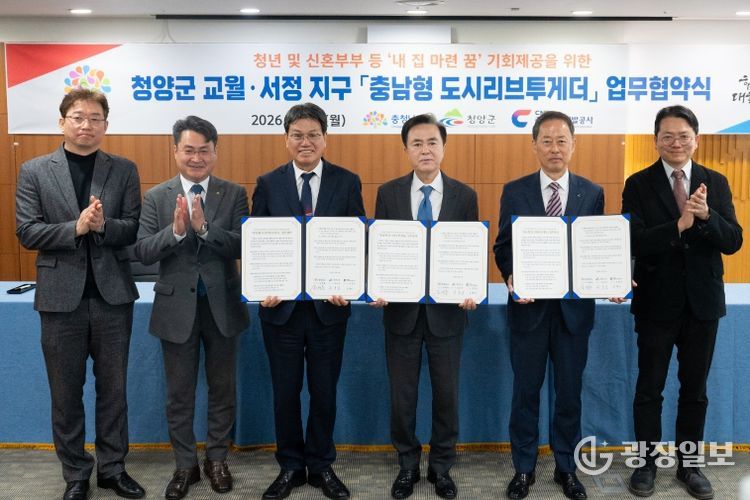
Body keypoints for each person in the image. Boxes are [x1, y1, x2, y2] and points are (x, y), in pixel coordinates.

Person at [15, 88, 145, 500]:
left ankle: (112, 469)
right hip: (59, 300)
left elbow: (133, 227)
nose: (86, 125)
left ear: (105, 125)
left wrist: (103, 225)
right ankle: (75, 473)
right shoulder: (35, 170)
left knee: (114, 391)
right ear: (62, 122)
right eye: (78, 117)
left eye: (95, 118)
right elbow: (27, 231)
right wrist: (76, 227)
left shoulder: (123, 169)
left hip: (112, 298)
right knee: (65, 393)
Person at [622, 105, 742, 500]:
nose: (676, 143)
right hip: (656, 303)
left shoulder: (715, 182)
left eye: (683, 136)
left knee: (695, 390)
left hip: (702, 305)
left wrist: (706, 217)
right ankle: (646, 463)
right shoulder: (638, 184)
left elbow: (733, 241)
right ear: (656, 140)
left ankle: (689, 465)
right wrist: (678, 226)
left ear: (696, 140)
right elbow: (634, 240)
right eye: (668, 136)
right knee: (649, 388)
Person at [251, 102, 365, 500]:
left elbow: (357, 239)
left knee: (324, 392)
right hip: (279, 310)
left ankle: (320, 465)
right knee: (285, 393)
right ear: (286, 140)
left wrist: (348, 282)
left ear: (325, 139)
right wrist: (262, 286)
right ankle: (289, 466)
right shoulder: (268, 183)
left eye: (313, 135)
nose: (306, 142)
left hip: (328, 309)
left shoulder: (347, 182)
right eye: (297, 135)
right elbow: (258, 242)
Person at [135, 116, 250, 499]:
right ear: (175, 152)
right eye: (189, 150)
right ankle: (185, 465)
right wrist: (177, 232)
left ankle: (217, 459)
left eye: (204, 150)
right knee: (179, 394)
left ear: (215, 152)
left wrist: (204, 230)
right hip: (175, 310)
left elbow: (243, 244)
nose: (196, 157)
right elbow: (142, 250)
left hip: (222, 307)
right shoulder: (157, 197)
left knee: (222, 389)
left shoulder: (233, 193)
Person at [493, 111, 604, 500]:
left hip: (574, 313)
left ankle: (566, 468)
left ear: (573, 144)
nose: (555, 148)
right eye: (547, 140)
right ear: (534, 145)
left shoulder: (592, 192)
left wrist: (610, 277)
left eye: (562, 140)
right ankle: (523, 468)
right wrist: (511, 275)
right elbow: (503, 246)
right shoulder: (515, 190)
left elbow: (595, 247)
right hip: (529, 310)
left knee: (569, 394)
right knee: (525, 393)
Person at [370, 113, 478, 500]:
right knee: (403, 397)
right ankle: (407, 464)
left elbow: (470, 250)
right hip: (401, 312)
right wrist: (377, 284)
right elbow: (381, 247)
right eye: (417, 143)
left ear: (443, 147)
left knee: (446, 395)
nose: (425, 150)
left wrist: (470, 288)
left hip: (447, 314)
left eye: (432, 142)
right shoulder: (389, 193)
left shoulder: (465, 195)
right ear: (406, 149)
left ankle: (441, 466)